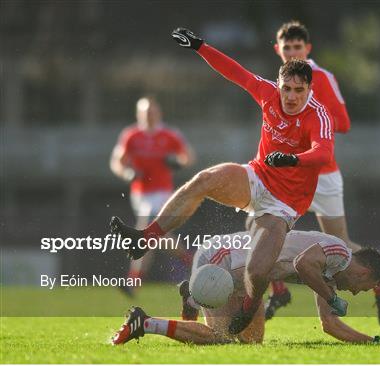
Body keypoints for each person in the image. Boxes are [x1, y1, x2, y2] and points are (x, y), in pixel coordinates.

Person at [109, 27, 335, 334]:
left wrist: (294, 159)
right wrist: (200, 47)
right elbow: (236, 72)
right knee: (203, 180)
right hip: (258, 177)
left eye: (298, 91)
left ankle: (250, 305)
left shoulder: (318, 115)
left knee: (257, 270)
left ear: (309, 90)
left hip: (285, 204)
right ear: (279, 86)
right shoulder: (268, 92)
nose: (291, 97)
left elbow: (322, 153)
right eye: (286, 89)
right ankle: (145, 237)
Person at [263, 21, 380, 326]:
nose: (292, 52)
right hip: (290, 175)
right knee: (261, 226)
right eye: (287, 48)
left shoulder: (321, 77)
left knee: (341, 245)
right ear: (278, 50)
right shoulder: (280, 85)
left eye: (298, 47)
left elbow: (344, 122)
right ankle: (278, 290)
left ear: (308, 49)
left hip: (322, 174)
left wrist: (311, 122)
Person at [111, 230, 380, 345]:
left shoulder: (327, 272)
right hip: (222, 260)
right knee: (220, 338)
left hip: (242, 277)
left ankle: (193, 295)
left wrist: (375, 342)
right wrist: (330, 295)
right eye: (363, 288)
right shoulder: (339, 254)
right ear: (364, 272)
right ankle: (145, 322)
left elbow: (330, 325)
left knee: (251, 345)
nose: (356, 293)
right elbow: (303, 263)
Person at [110, 96, 196, 295]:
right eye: (145, 113)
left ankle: (133, 281)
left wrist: (178, 162)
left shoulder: (169, 134)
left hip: (162, 193)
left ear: (158, 113)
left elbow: (189, 156)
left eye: (151, 112)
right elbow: (117, 162)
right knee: (157, 235)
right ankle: (189, 260)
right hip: (139, 194)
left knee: (146, 228)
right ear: (138, 114)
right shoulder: (131, 135)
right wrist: (126, 173)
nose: (148, 116)